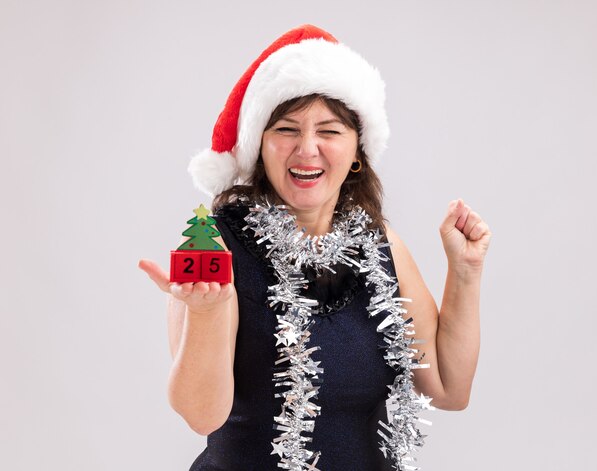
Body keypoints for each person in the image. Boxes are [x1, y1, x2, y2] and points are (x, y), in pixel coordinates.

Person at [139, 24, 491, 471]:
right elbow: (200, 415)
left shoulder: (381, 245)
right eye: (286, 129)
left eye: (330, 130)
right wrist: (207, 311)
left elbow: (448, 390)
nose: (307, 149)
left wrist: (465, 272)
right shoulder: (215, 246)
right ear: (260, 148)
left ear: (357, 151)